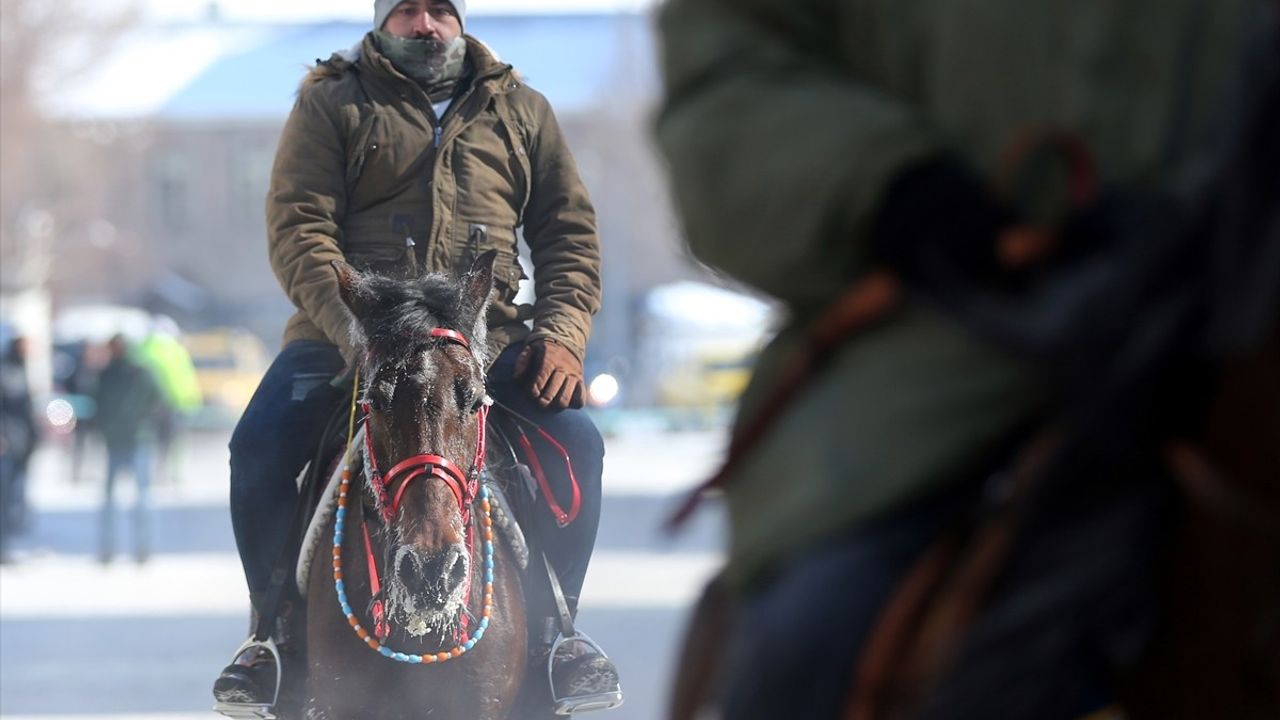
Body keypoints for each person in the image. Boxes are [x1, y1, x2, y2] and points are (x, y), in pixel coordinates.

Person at [655, 1, 1263, 719]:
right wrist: (886, 188)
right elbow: (728, 66)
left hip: (1235, 334)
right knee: (813, 632)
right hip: (936, 352)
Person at [213, 0, 617, 714]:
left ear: (459, 20)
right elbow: (299, 229)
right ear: (380, 20)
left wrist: (561, 334)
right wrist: (359, 329)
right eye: (407, 11)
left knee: (578, 442)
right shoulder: (330, 103)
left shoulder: (522, 108)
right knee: (260, 447)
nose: (425, 24)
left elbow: (568, 235)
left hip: (483, 338)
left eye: (439, 10)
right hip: (349, 336)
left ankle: (561, 633)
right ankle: (270, 633)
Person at [92, 334, 164, 564]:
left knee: (142, 497)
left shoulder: (139, 372)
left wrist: (140, 420)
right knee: (110, 499)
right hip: (116, 441)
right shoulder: (108, 374)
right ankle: (108, 548)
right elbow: (98, 403)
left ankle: (142, 548)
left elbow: (157, 400)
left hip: (137, 439)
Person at [134, 319, 203, 485]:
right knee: (174, 442)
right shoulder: (177, 350)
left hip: (148, 406)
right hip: (175, 404)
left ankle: (148, 473)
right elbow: (185, 379)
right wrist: (192, 401)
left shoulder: (142, 350)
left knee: (148, 441)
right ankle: (172, 474)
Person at [0, 335, 39, 562]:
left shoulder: (20, 369)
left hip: (21, 443)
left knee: (15, 497)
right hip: (7, 444)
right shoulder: (5, 371)